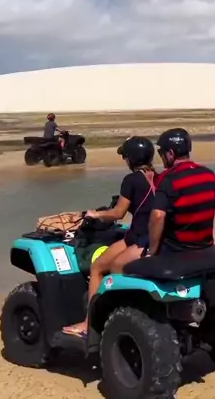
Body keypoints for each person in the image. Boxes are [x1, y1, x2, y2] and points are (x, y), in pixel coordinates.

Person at [62, 135, 156, 338]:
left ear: (131, 158)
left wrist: (95, 214)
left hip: (138, 238)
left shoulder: (131, 180)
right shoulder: (159, 176)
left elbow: (118, 213)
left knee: (97, 267)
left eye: (126, 157)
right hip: (155, 236)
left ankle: (88, 323)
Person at [148, 128, 215, 256]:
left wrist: (152, 252)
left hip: (175, 251)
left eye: (161, 152)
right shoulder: (208, 174)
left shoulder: (167, 179)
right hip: (206, 248)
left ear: (171, 154)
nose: (161, 157)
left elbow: (158, 216)